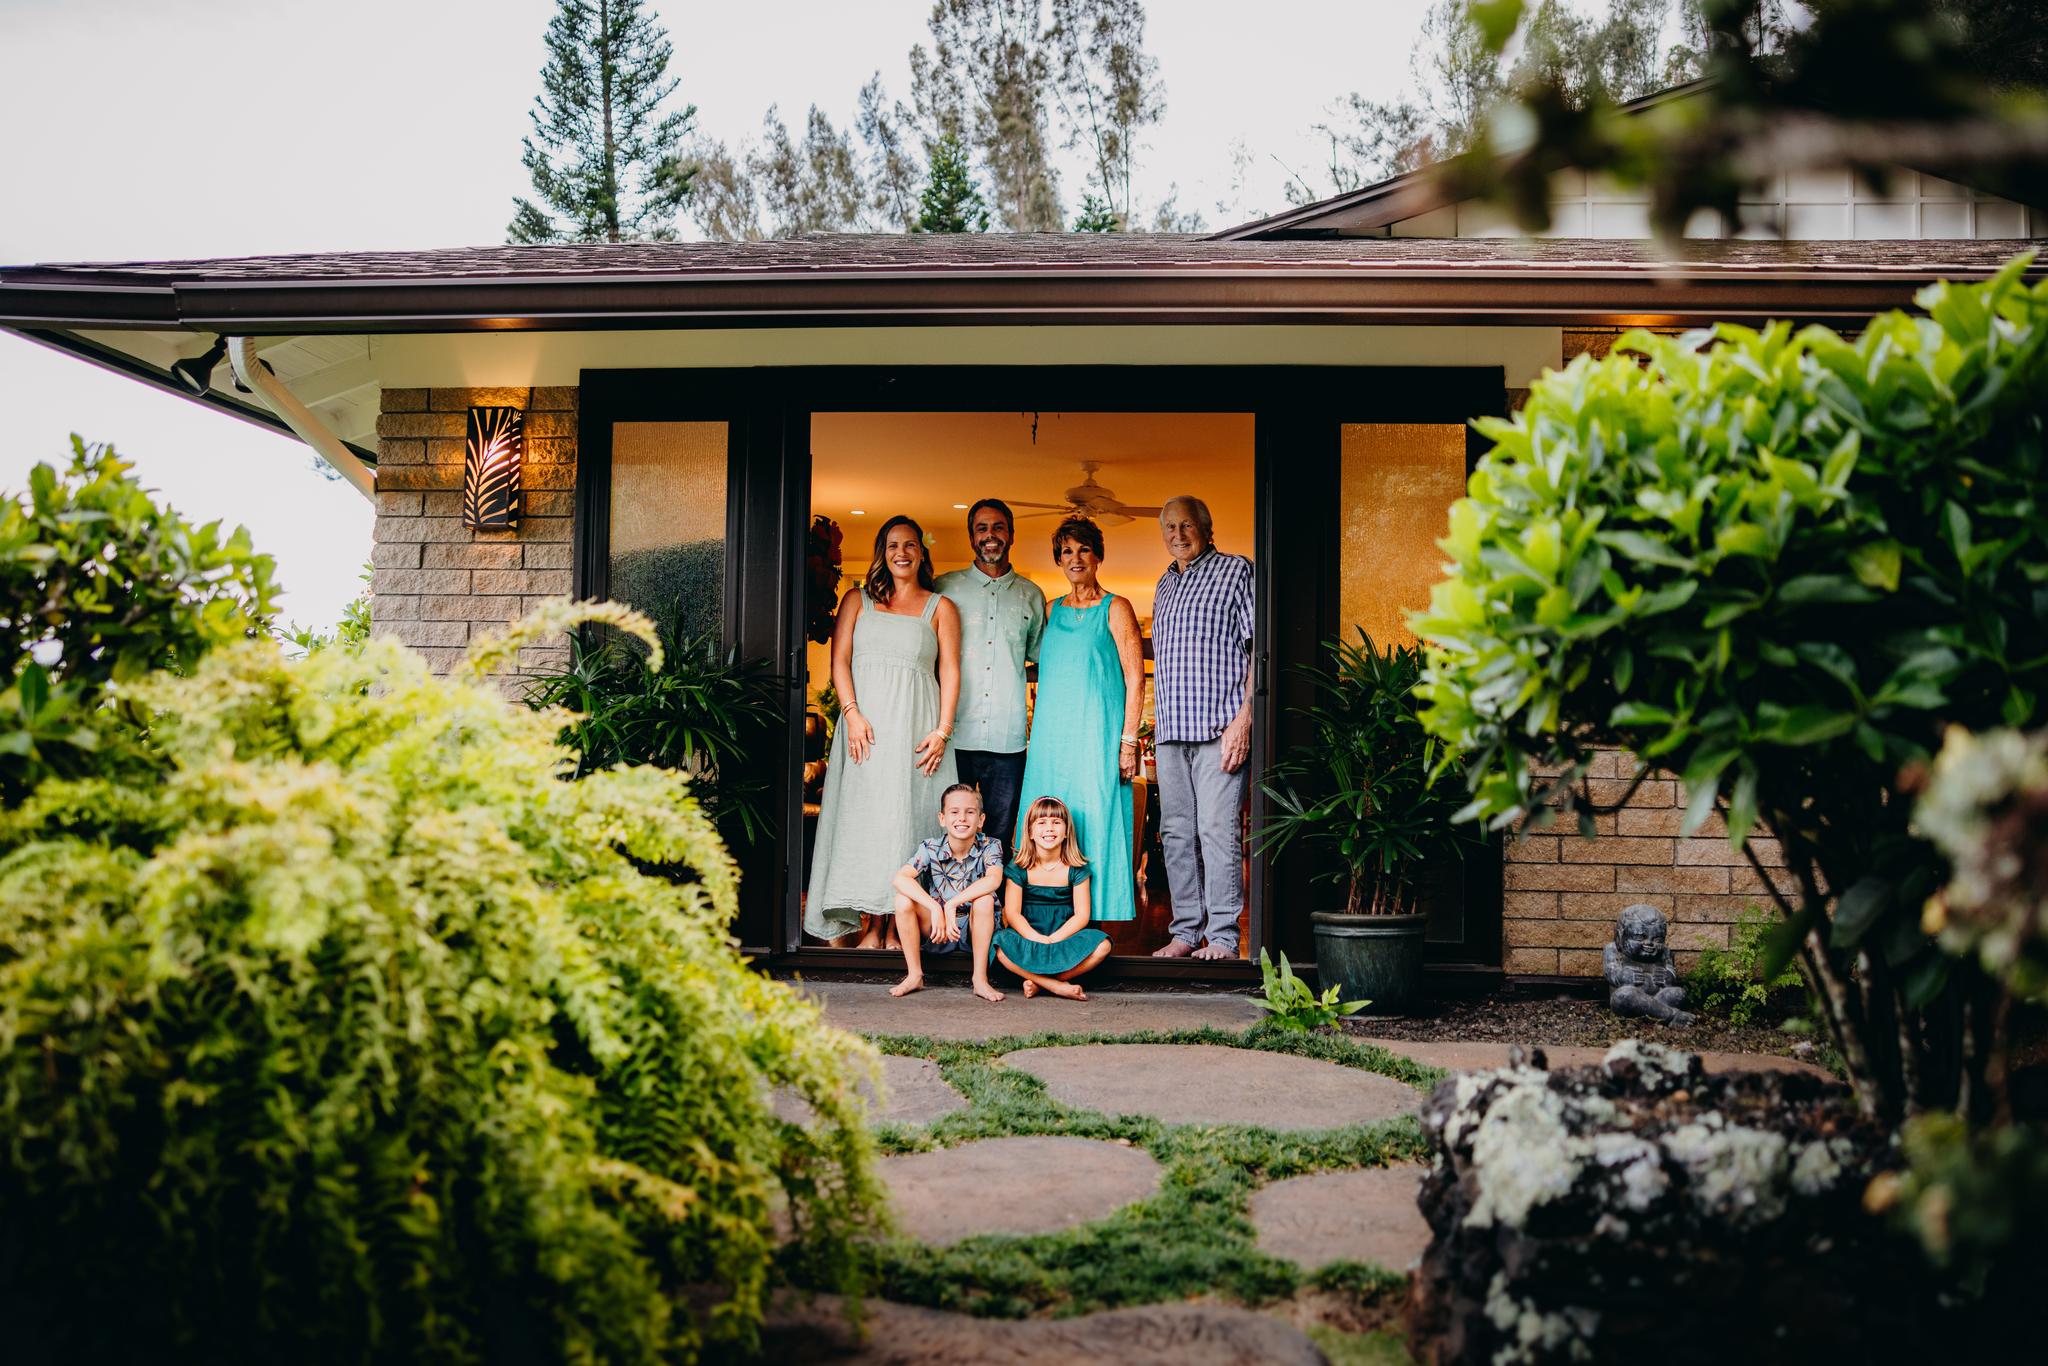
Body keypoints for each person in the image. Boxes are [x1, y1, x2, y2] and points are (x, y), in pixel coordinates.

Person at [805, 515, 961, 948]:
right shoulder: (857, 600)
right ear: (882, 552)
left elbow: (949, 671)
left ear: (922, 552)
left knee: (909, 821)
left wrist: (942, 731)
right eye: (893, 545)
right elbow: (840, 661)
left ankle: (898, 927)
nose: (902, 553)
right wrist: (851, 713)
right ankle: (870, 925)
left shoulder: (940, 608)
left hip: (917, 731)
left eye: (910, 545)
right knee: (868, 824)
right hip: (865, 734)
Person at [1016, 516, 1142, 926]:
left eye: (1083, 550)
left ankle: (1094, 920)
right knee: (1045, 818)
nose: (1075, 558)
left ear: (1098, 556)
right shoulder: (1050, 611)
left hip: (1097, 737)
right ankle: (1041, 915)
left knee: (1096, 815)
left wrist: (1128, 742)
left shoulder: (1116, 607)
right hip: (1052, 739)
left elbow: (1135, 678)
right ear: (1058, 559)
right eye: (1067, 551)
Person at [1149, 495, 1255, 961]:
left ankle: (1224, 937)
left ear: (1206, 528)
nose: (1177, 534)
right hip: (1172, 731)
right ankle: (1186, 930)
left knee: (1216, 830)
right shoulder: (1163, 585)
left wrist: (1245, 719)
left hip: (1219, 729)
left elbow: (1258, 651)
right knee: (1175, 834)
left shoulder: (1237, 571)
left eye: (1186, 524)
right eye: (1169, 527)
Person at [933, 499, 1046, 864]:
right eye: (982, 529)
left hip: (1007, 738)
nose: (990, 536)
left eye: (998, 527)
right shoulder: (943, 588)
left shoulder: (1031, 595)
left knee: (999, 831)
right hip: (953, 734)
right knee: (948, 829)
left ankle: (992, 914)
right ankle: (948, 914)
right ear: (971, 537)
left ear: (1011, 534)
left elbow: (1040, 659)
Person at [887, 783, 1007, 1001]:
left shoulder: (991, 845)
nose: (962, 818)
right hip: (939, 929)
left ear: (980, 820)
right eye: (954, 812)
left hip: (975, 929)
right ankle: (914, 974)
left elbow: (994, 879)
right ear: (942, 818)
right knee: (902, 900)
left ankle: (980, 979)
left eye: (970, 812)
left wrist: (952, 904)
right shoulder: (930, 847)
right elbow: (900, 878)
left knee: (984, 901)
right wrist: (935, 907)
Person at [992, 796, 1112, 1000]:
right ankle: (1055, 986)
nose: (1049, 828)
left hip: (1063, 936)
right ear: (1030, 832)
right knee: (1000, 945)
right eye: (1041, 823)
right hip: (1029, 935)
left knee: (1103, 945)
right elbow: (1012, 913)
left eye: (1056, 822)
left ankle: (1042, 982)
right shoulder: (1018, 867)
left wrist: (1054, 939)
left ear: (1066, 832)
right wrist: (1036, 938)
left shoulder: (1076, 868)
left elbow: (1082, 915)